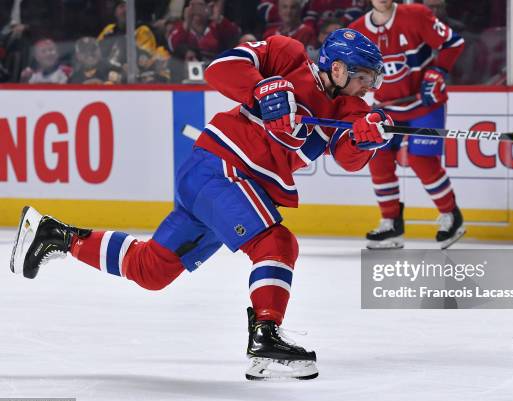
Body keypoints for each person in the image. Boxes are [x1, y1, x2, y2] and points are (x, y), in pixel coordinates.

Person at [10, 28, 391, 381]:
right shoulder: (285, 55)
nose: (367, 87)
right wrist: (261, 87)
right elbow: (220, 69)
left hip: (234, 190)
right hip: (220, 168)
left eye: (372, 81)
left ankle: (55, 235)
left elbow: (348, 154)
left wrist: (369, 136)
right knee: (277, 243)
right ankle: (265, 340)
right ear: (337, 68)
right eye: (363, 78)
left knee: (151, 271)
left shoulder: (351, 111)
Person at [349, 0, 465, 249]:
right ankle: (391, 224)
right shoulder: (357, 31)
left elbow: (453, 43)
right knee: (378, 156)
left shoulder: (416, 15)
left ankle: (452, 216)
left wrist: (439, 71)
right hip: (386, 107)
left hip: (424, 102)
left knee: (421, 160)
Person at [167, 0, 240, 67]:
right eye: (192, 5)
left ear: (208, 7)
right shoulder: (180, 28)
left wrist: (217, 18)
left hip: (214, 68)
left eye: (200, 5)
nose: (196, 10)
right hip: (185, 71)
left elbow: (233, 36)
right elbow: (173, 47)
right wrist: (187, 23)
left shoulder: (217, 27)